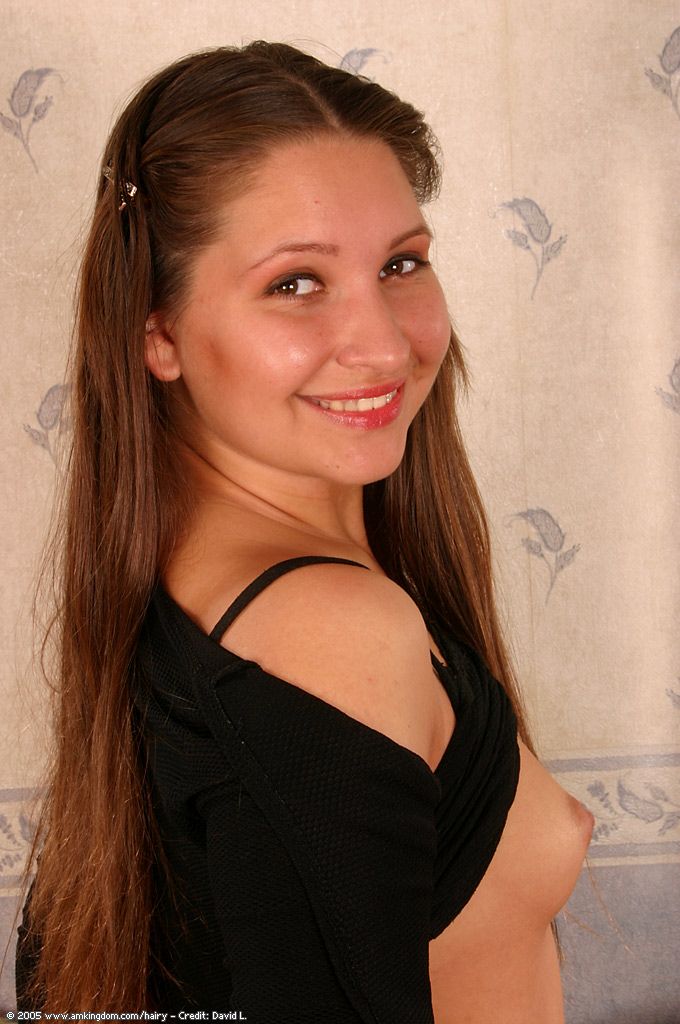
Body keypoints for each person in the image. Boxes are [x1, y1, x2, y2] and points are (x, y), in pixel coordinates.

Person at [15, 41, 593, 1021]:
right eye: (295, 283)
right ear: (158, 332)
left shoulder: (205, 587)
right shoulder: (328, 626)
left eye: (400, 264)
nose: (384, 343)